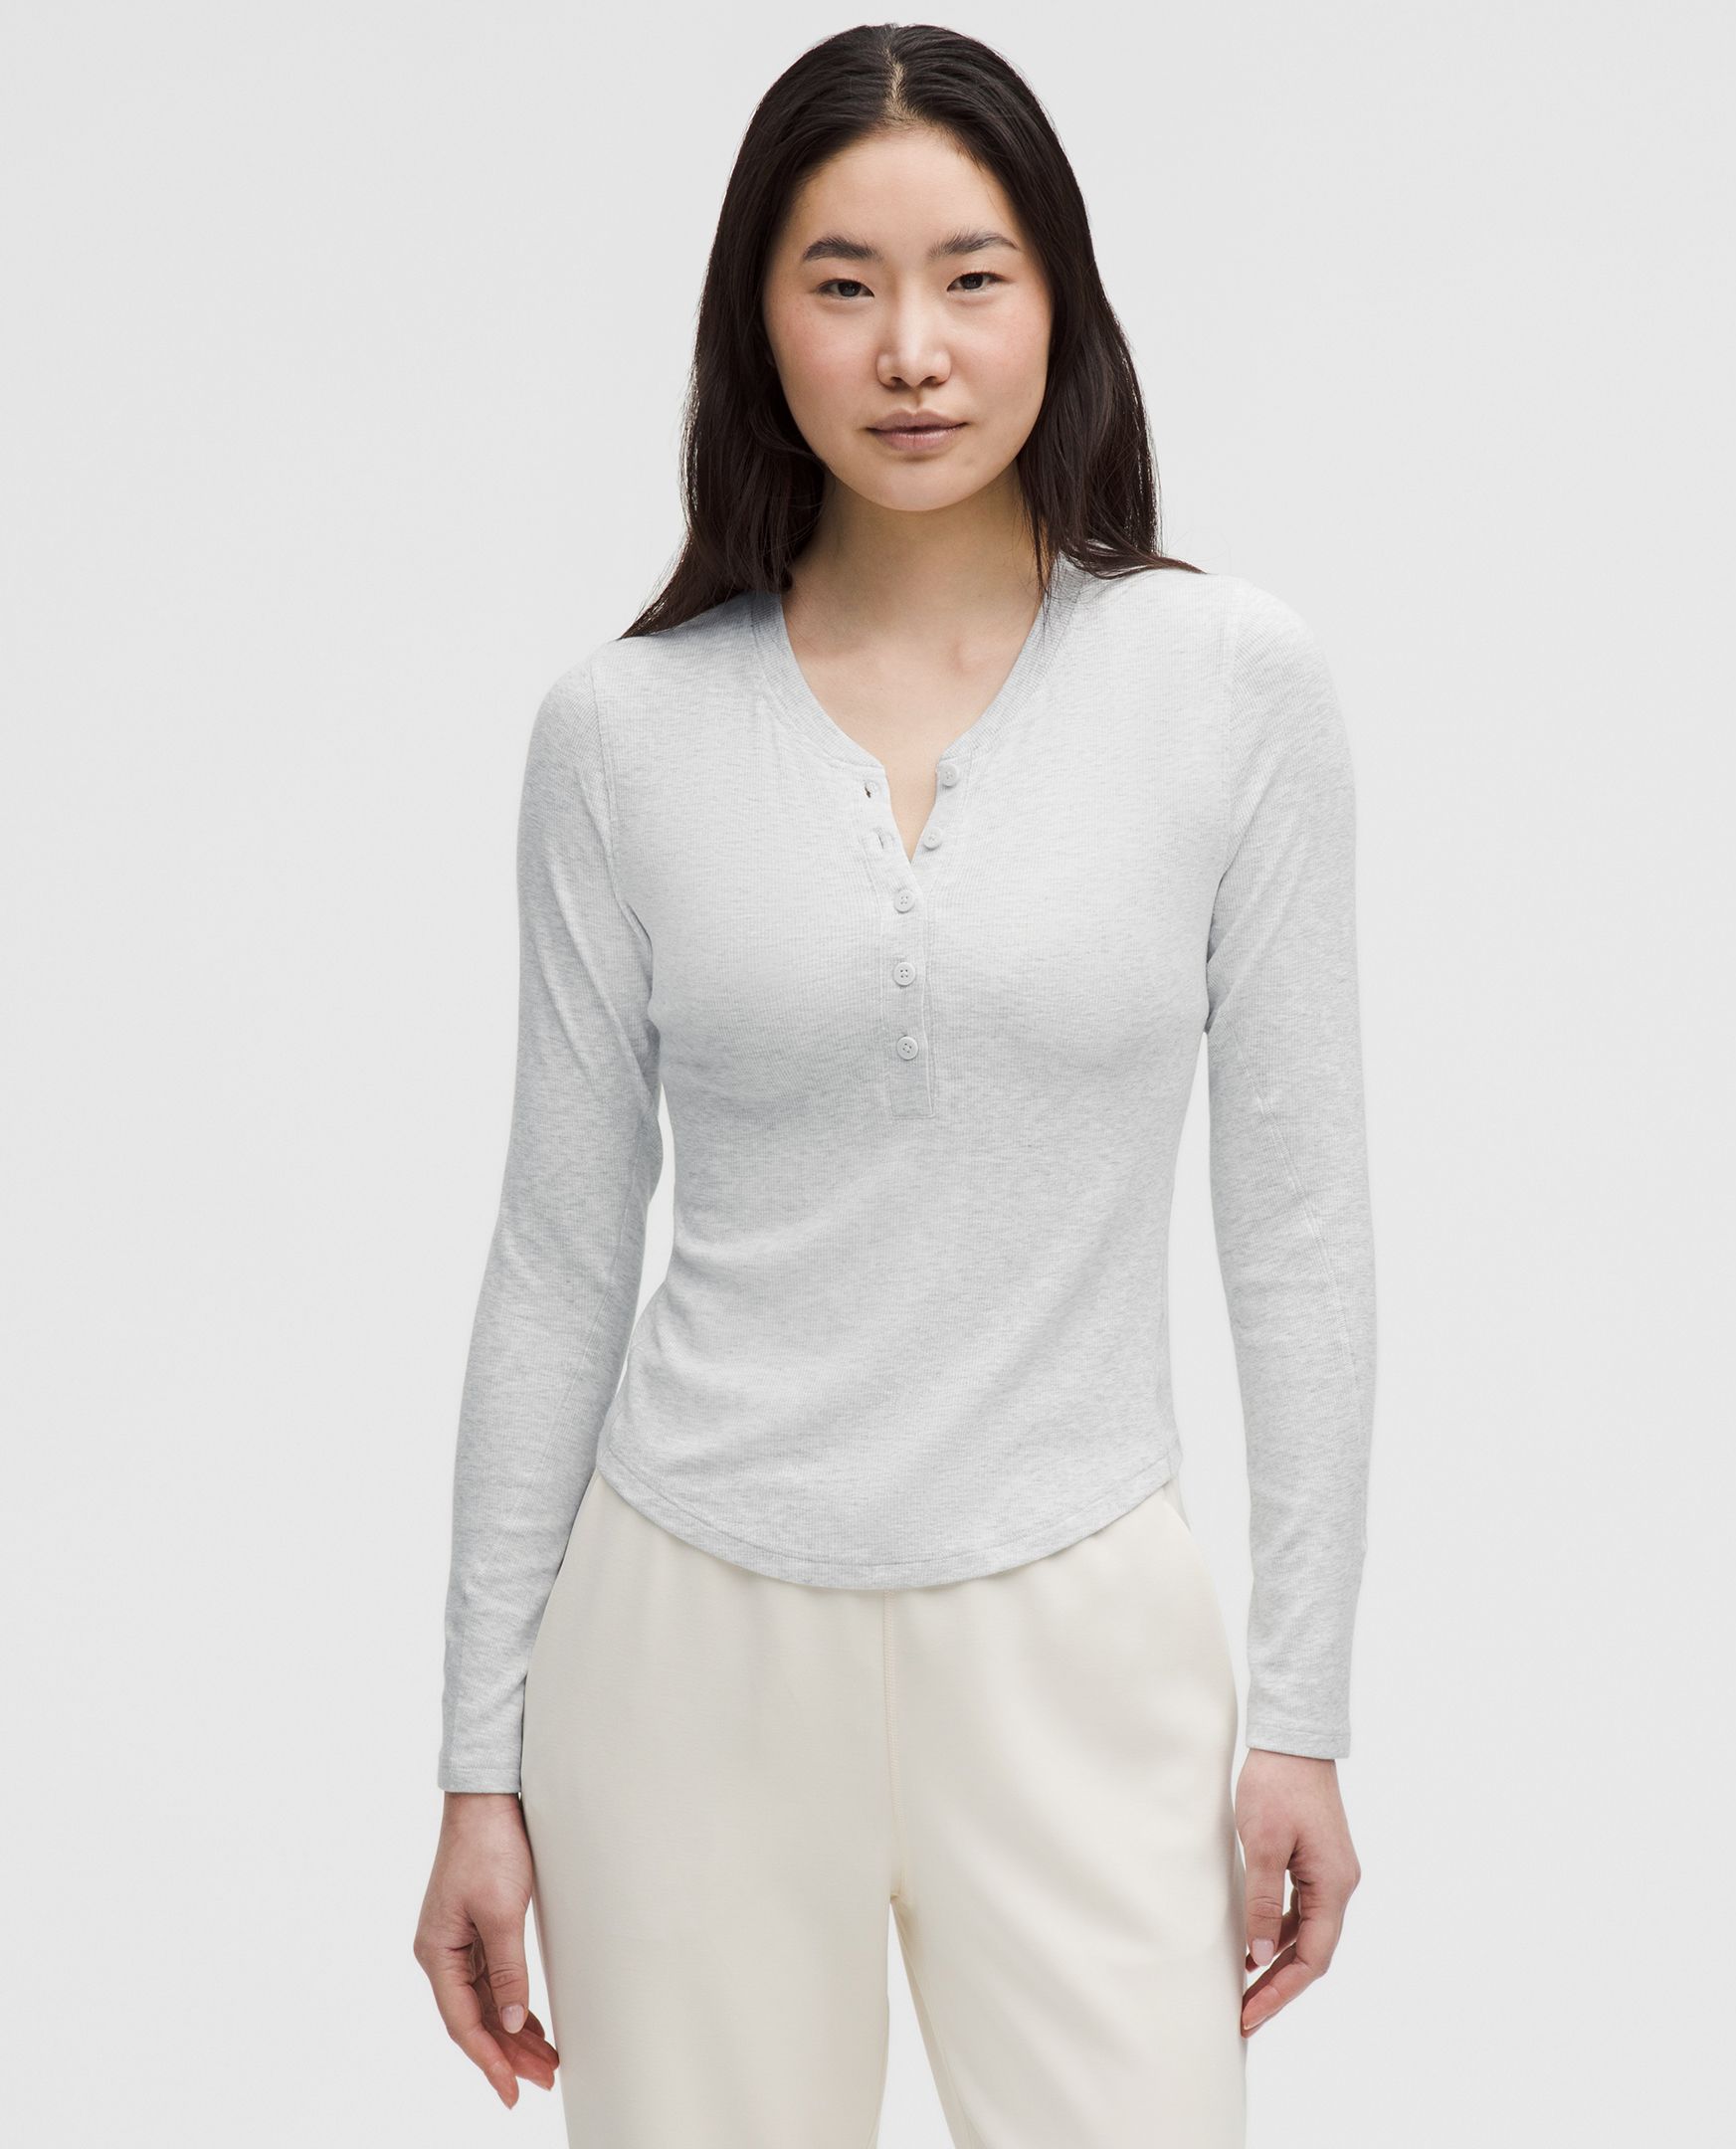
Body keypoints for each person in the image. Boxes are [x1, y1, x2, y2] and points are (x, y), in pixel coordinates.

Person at [413, 23, 1375, 2147]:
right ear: (757, 323)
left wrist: (1300, 1711)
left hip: (1083, 1624)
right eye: (842, 283)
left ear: (1062, 303)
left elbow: (1299, 1235)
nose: (911, 350)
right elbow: (557, 1260)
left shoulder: (1229, 689)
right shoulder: (621, 735)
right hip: (683, 1641)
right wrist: (479, 1762)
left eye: (973, 276)